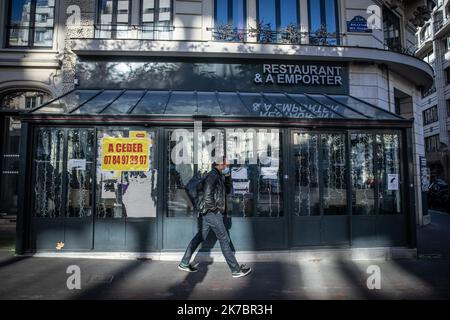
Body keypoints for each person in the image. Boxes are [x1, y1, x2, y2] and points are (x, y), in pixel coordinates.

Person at [178, 157, 252, 278]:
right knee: (224, 238)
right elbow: (208, 195)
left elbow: (227, 191)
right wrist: (214, 210)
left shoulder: (219, 176)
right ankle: (235, 269)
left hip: (209, 213)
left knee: (200, 237)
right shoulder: (212, 176)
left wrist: (227, 177)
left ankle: (184, 262)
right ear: (219, 164)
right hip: (212, 213)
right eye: (226, 165)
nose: (228, 166)